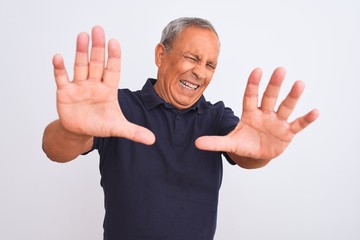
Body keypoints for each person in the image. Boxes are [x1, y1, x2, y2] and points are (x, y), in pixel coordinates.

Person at [42, 17, 319, 240]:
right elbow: (54, 149)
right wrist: (73, 130)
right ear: (161, 55)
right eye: (191, 57)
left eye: (210, 64)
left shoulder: (217, 117)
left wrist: (263, 152)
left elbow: (246, 153)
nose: (200, 72)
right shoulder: (119, 107)